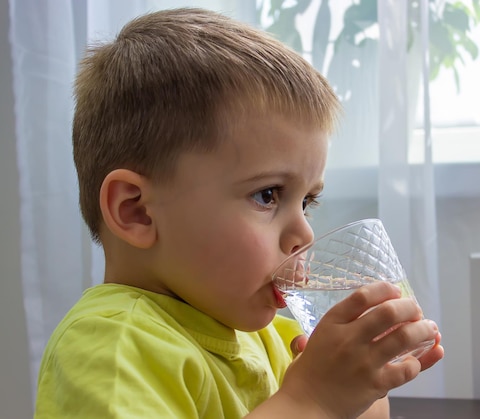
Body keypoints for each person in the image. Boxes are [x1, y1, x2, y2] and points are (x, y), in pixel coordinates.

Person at [34, 7, 443, 418]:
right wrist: (313, 400)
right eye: (267, 195)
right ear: (137, 211)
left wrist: (364, 390)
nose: (304, 234)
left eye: (307, 202)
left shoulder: (274, 340)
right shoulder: (113, 347)